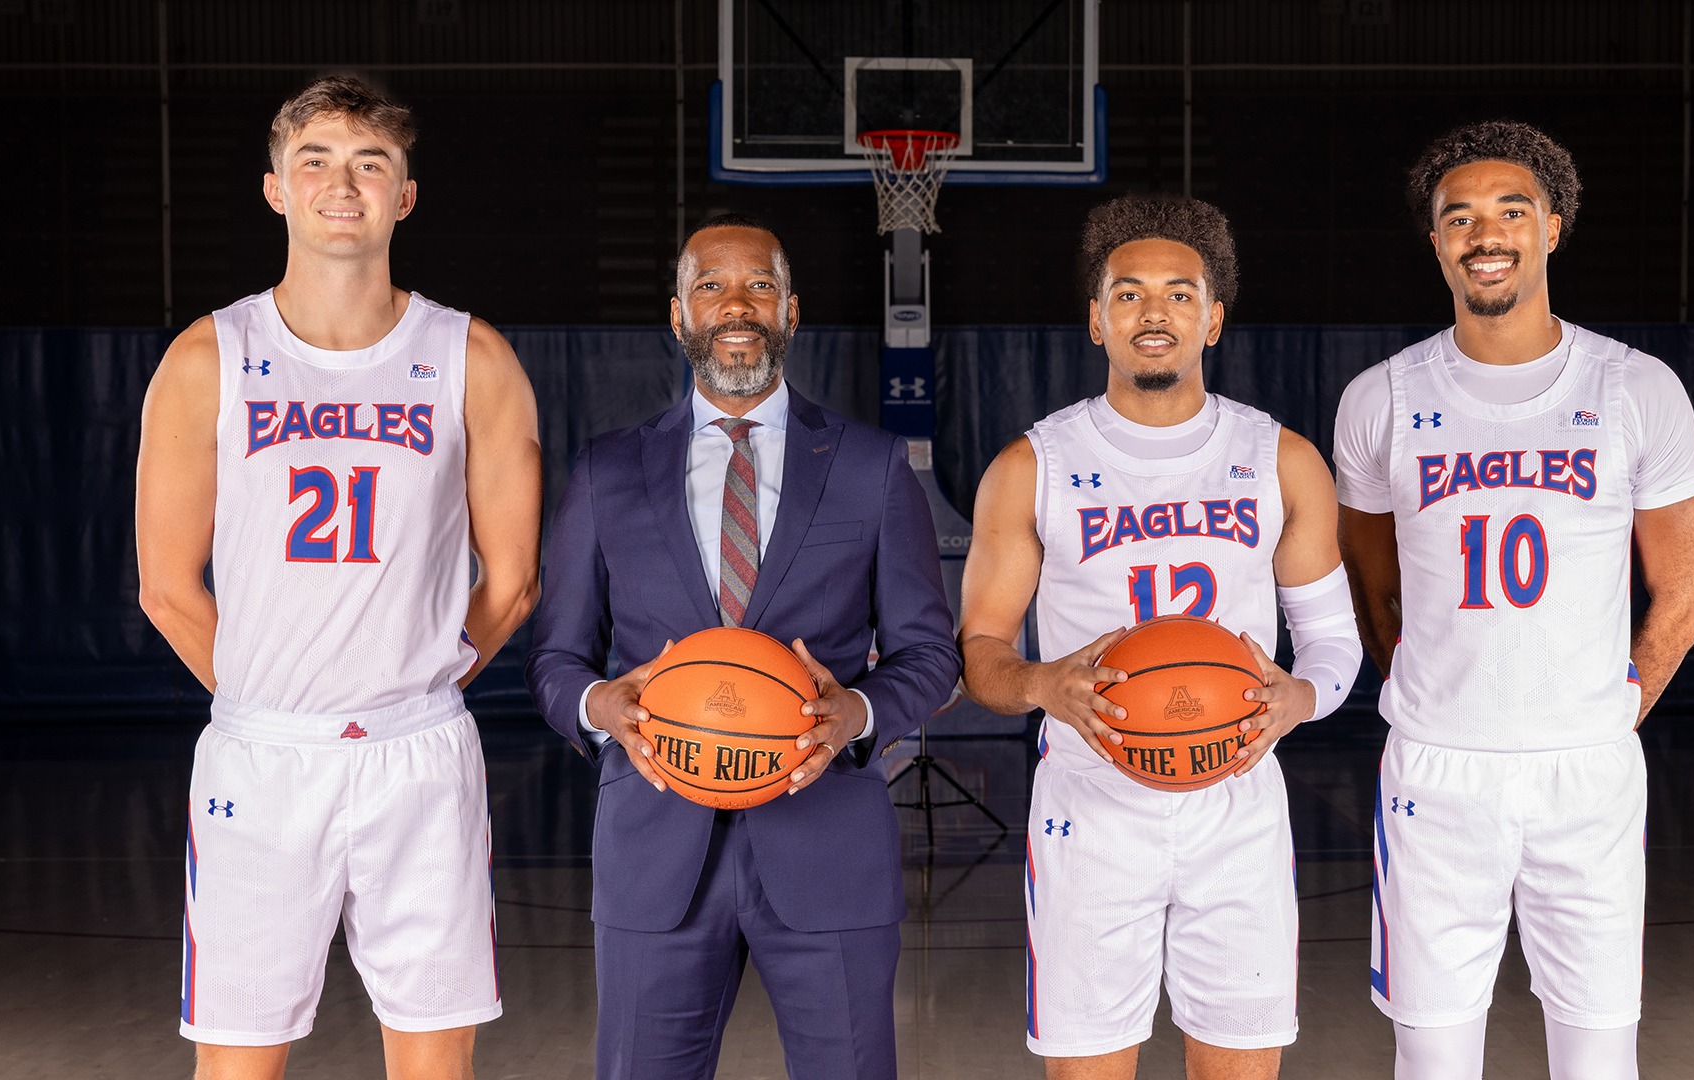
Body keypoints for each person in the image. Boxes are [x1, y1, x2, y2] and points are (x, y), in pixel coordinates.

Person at [135, 76, 542, 1080]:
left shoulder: (470, 356)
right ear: (275, 188)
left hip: (419, 753)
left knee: (437, 1063)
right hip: (263, 757)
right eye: (314, 161)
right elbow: (166, 586)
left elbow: (516, 580)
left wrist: (414, 686)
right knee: (236, 1064)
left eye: (371, 164)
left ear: (406, 196)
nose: (341, 183)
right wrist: (277, 698)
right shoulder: (209, 356)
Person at [525, 214, 960, 1080]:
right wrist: (597, 705)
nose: (736, 304)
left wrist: (859, 712)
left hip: (826, 836)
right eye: (711, 287)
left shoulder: (873, 467)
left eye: (759, 285)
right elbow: (555, 660)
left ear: (791, 311)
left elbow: (930, 655)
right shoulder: (609, 471)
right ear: (678, 314)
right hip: (656, 845)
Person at [1333, 120, 1694, 1080]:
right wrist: (1438, 690)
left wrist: (1612, 711)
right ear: (1435, 242)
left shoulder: (1635, 387)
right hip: (1436, 771)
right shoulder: (1380, 397)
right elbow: (1373, 585)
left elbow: (1685, 590)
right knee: (1433, 1059)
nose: (1483, 233)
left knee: (1597, 1059)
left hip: (1585, 771)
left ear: (1552, 226)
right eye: (1458, 216)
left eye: (1510, 211)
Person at [958, 193, 1363, 1080]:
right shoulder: (1032, 468)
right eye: (1129, 293)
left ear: (1213, 319)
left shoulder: (1281, 459)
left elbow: (1334, 643)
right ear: (1096, 319)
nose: (1155, 312)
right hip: (1091, 804)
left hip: (1238, 800)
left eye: (1180, 294)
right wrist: (1040, 686)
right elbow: (981, 654)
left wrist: (1300, 697)